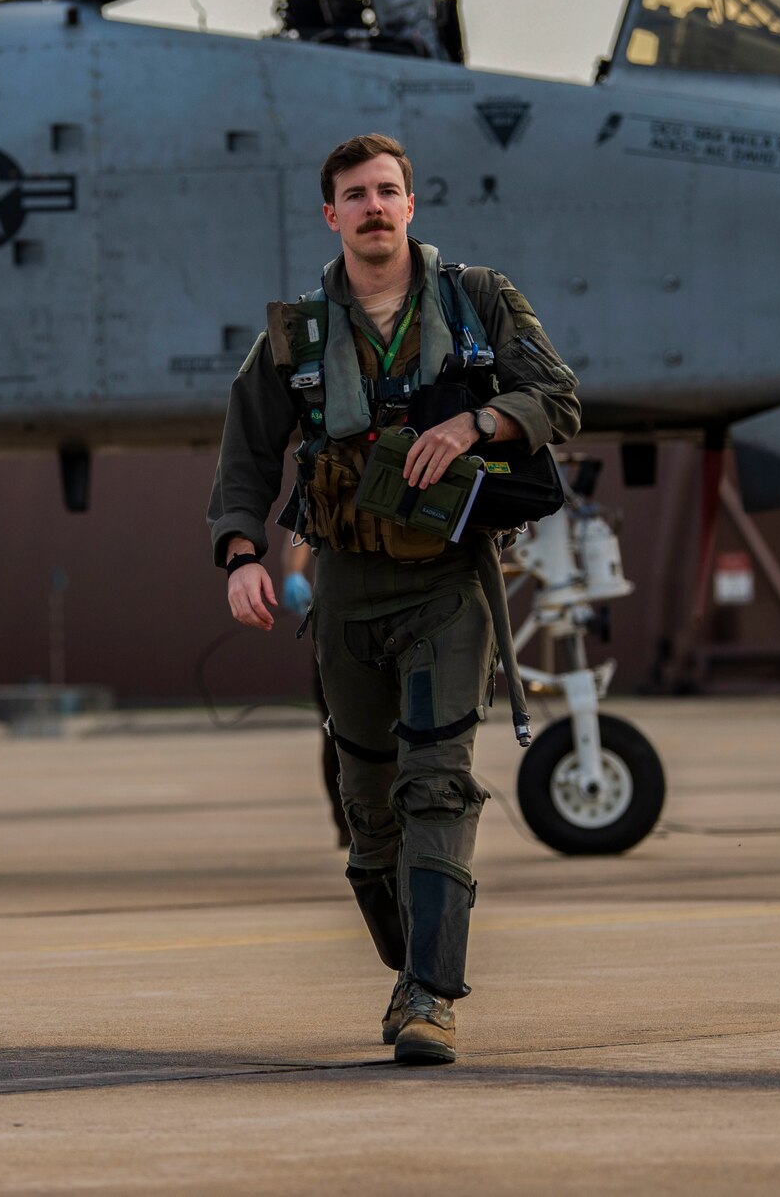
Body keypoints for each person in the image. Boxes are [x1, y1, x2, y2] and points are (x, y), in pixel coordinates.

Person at [205, 134, 580, 1065]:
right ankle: (411, 962)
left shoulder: (480, 302)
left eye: (387, 191)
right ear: (330, 215)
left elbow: (558, 399)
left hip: (450, 583)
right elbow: (247, 455)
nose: (374, 206)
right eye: (354, 195)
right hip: (346, 592)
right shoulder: (294, 336)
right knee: (367, 810)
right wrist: (242, 554)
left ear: (411, 205)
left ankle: (430, 998)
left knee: (437, 779)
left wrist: (475, 420)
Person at [282, 540, 350, 850]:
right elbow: (300, 527)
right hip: (338, 618)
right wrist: (293, 573)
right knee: (337, 732)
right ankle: (349, 825)